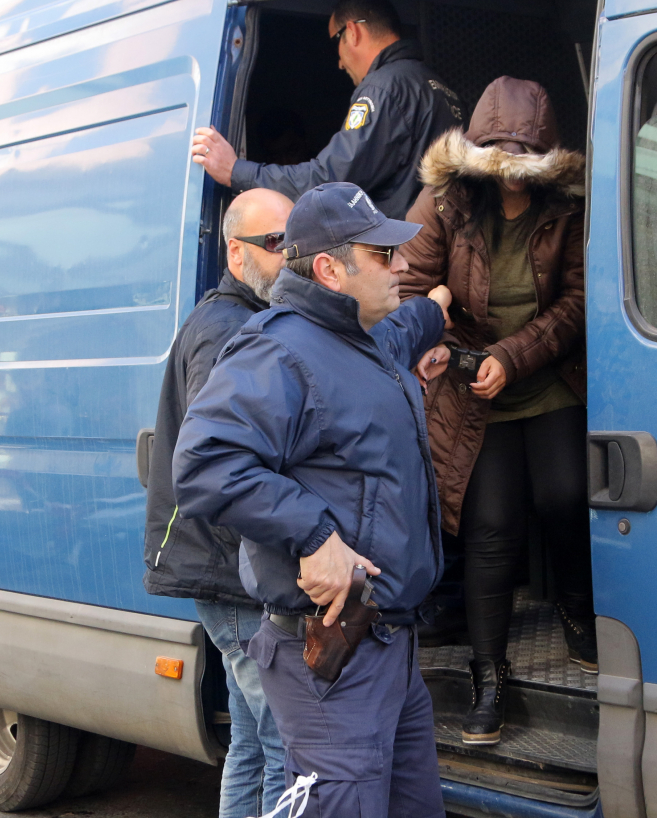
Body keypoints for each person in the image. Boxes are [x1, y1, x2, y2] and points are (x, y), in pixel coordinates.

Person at [172, 182, 453, 818]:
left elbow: (402, 336)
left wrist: (436, 309)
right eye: (383, 256)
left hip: (391, 651)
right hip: (337, 658)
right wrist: (314, 535)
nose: (401, 265)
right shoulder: (279, 347)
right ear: (328, 269)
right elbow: (204, 462)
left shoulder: (361, 338)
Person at [399, 76, 592, 747]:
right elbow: (408, 288)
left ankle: (576, 608)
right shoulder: (446, 202)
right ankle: (490, 677)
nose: (513, 174)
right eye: (500, 159)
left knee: (569, 494)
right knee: (490, 528)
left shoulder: (566, 205)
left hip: (544, 374)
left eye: (525, 159)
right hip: (470, 390)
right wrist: (447, 349)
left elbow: (576, 302)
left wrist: (512, 355)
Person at [142, 187, 293, 818]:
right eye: (276, 244)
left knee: (253, 744)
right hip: (230, 577)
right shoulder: (226, 332)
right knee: (285, 741)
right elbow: (219, 465)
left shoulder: (230, 320)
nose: (292, 257)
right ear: (236, 252)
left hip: (222, 573)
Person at [191, 0, 464, 218]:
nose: (339, 62)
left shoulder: (383, 87)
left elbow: (330, 182)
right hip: (434, 253)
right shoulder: (441, 88)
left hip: (402, 259)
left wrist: (236, 171)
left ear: (353, 32)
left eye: (336, 42)